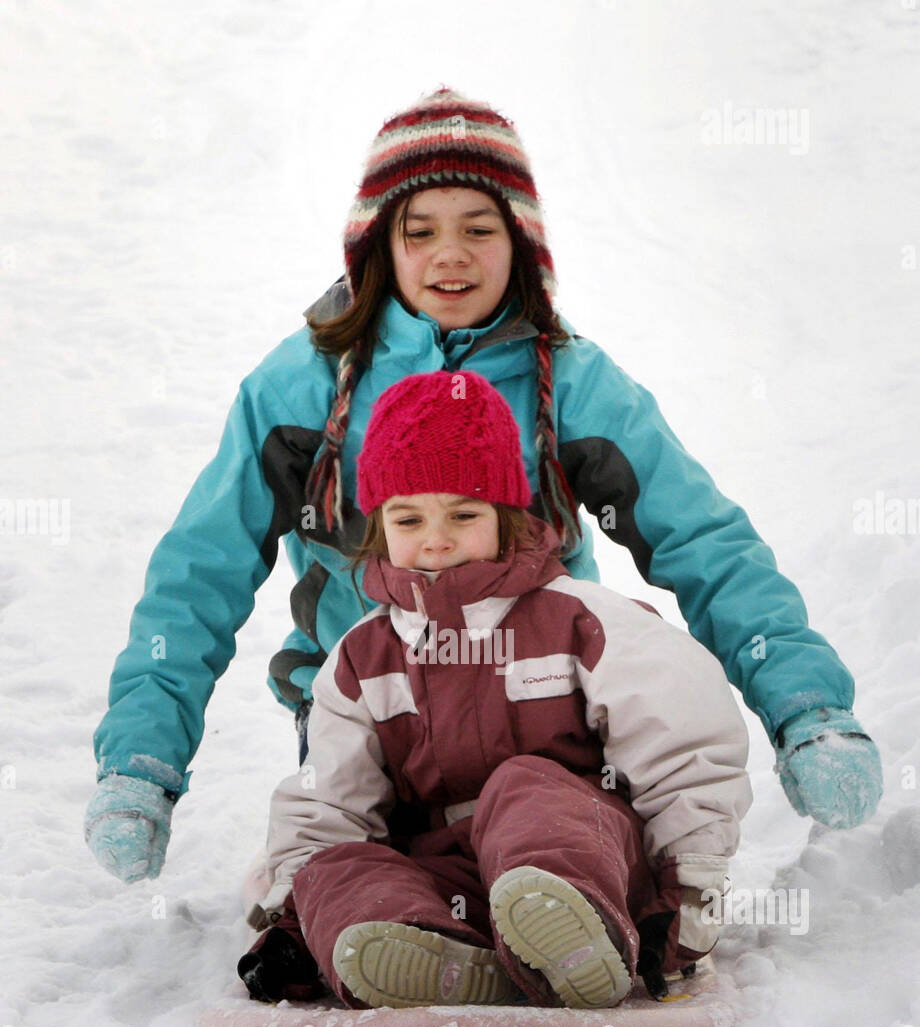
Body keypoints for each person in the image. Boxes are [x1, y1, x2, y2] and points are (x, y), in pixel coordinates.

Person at [85, 85, 881, 906]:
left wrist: (808, 710)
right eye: (419, 231)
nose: (449, 255)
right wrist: (142, 763)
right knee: (349, 875)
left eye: (479, 228)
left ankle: (565, 901)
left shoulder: (571, 385)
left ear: (521, 243)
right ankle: (379, 930)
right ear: (377, 250)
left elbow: (705, 545)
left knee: (541, 826)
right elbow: (198, 575)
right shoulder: (301, 393)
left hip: (546, 727)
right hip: (371, 731)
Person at [241, 369, 753, 1011]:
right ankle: (424, 953)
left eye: (463, 513)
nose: (435, 539)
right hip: (447, 880)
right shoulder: (363, 657)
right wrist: (296, 911)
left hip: (590, 858)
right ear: (377, 528)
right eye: (407, 518)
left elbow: (682, 746)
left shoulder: (580, 620)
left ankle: (573, 935)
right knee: (338, 866)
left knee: (524, 786)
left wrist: (690, 886)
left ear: (508, 514)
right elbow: (330, 803)